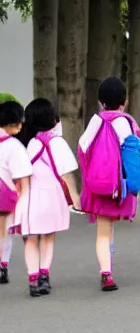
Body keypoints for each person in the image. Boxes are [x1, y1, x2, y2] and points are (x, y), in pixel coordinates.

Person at [78, 77, 140, 292]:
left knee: (102, 232)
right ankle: (109, 261)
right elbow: (132, 154)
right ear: (124, 102)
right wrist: (136, 183)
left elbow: (82, 148)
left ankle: (105, 273)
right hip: (119, 187)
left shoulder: (95, 121)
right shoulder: (123, 123)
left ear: (100, 102)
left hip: (98, 187)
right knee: (110, 230)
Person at [16, 99, 80, 297]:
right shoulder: (57, 142)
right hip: (52, 195)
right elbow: (67, 173)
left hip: (29, 196)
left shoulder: (27, 143)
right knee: (48, 238)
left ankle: (33, 279)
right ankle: (44, 276)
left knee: (30, 239)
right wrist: (76, 197)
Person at [0, 101, 32, 285]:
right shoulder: (13, 146)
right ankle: (2, 266)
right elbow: (22, 173)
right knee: (4, 233)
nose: (20, 126)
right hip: (6, 194)